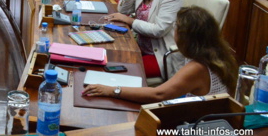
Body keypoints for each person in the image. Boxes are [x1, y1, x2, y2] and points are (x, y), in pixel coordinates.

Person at [83, 6, 238, 103]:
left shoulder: (198, 67)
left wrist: (111, 90)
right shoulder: (219, 53)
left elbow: (159, 94)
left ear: (186, 37)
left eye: (176, 28)